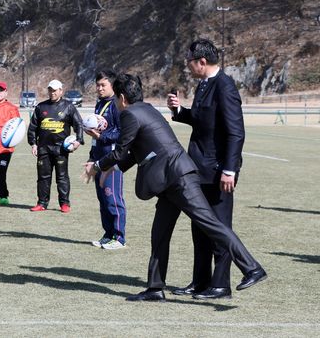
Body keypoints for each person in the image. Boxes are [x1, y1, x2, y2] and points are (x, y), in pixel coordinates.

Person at [83, 73, 267, 302]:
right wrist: (113, 168)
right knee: (159, 233)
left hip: (178, 178)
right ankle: (154, 289)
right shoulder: (146, 109)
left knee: (210, 223)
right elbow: (135, 151)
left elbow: (121, 150)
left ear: (121, 98)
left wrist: (98, 166)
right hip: (168, 180)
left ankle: (252, 268)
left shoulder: (130, 114)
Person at [167, 39, 246, 300]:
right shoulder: (203, 85)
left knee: (219, 228)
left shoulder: (224, 86)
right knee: (199, 228)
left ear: (202, 61)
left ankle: (221, 285)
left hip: (217, 173)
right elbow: (201, 122)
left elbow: (236, 133)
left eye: (189, 62)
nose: (187, 66)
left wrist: (229, 170)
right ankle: (200, 282)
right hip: (198, 169)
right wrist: (178, 110)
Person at [27, 79, 84, 213]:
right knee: (43, 178)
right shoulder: (41, 107)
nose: (52, 93)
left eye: (55, 90)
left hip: (61, 149)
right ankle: (42, 203)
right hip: (43, 148)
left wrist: (78, 140)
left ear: (61, 91)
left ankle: (64, 203)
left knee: (62, 177)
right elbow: (32, 128)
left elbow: (79, 124)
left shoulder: (68, 106)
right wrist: (33, 143)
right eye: (50, 90)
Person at [87, 70, 127, 250]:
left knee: (113, 198)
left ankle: (119, 238)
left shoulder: (117, 105)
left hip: (112, 160)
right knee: (102, 199)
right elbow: (96, 137)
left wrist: (101, 136)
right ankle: (108, 234)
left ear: (112, 85)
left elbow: (121, 132)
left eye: (103, 85)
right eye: (97, 85)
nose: (99, 88)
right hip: (98, 158)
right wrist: (91, 156)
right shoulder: (99, 104)